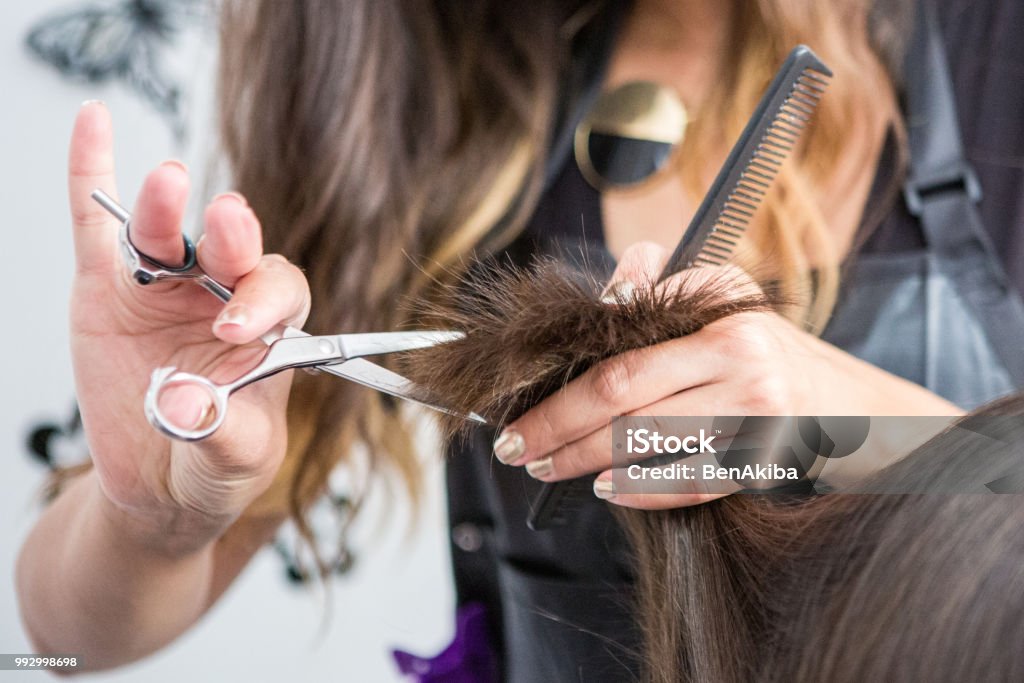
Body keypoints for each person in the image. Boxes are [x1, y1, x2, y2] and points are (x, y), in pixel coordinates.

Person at [15, 0, 1024, 680]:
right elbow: (71, 636)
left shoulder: (992, 53)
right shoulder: (445, 107)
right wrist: (149, 516)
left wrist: (877, 437)